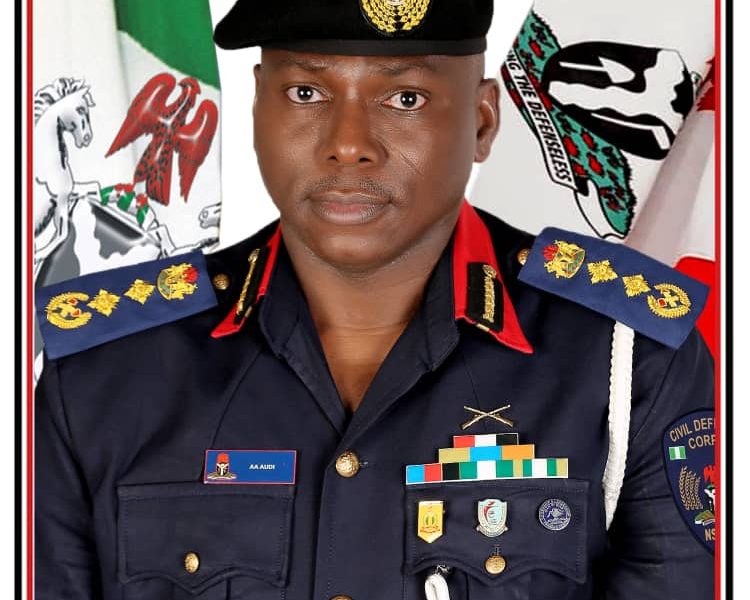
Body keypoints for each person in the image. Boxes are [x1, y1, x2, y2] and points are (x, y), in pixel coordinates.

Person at [34, 1, 715, 599]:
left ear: (482, 121)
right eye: (306, 92)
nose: (348, 144)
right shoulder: (107, 373)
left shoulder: (626, 362)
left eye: (405, 98)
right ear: (257, 107)